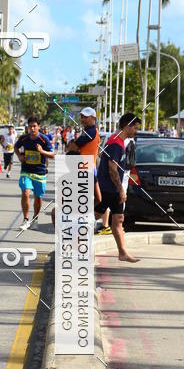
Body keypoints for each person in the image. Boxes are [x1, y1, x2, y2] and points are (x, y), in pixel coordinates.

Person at [95, 112, 142, 263]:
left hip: (113, 189)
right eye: (135, 128)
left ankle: (122, 253)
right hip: (108, 189)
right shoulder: (116, 144)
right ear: (127, 126)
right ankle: (70, 243)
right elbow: (112, 170)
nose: (136, 131)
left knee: (118, 219)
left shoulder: (115, 141)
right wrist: (121, 189)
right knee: (92, 217)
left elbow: (103, 156)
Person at [65, 107, 108, 233]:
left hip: (86, 169)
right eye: (82, 117)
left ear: (93, 118)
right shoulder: (90, 131)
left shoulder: (90, 132)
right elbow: (72, 148)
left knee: (96, 198)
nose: (82, 119)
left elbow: (72, 147)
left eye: (85, 117)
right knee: (94, 198)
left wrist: (75, 148)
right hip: (86, 169)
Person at [15, 116, 55, 230]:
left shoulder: (44, 139)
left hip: (40, 172)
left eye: (34, 126)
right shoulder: (24, 138)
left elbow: (52, 155)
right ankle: (26, 219)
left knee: (38, 197)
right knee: (25, 192)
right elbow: (16, 147)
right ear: (27, 127)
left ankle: (35, 219)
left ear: (38, 127)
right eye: (30, 126)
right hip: (26, 171)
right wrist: (19, 156)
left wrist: (42, 151)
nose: (32, 129)